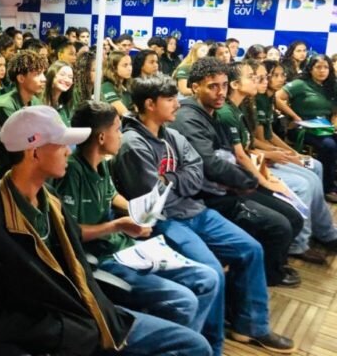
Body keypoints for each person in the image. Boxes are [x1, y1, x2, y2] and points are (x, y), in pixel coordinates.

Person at [0, 105, 213, 356]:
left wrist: (98, 314)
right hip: (63, 331)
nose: (67, 152)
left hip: (89, 315)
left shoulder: (51, 201)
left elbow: (75, 251)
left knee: (194, 345)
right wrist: (62, 331)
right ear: (34, 152)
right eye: (61, 145)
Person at [111, 74, 295, 354]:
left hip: (195, 209)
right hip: (164, 221)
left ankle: (251, 327)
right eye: (170, 99)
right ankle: (210, 345)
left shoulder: (172, 135)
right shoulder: (132, 144)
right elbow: (153, 197)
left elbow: (197, 174)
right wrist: (179, 179)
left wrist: (171, 179)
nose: (177, 104)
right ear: (149, 104)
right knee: (212, 273)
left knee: (251, 249)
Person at [56, 100, 219, 337]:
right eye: (117, 130)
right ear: (101, 137)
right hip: (103, 258)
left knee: (208, 277)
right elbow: (69, 231)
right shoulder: (73, 172)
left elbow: (112, 196)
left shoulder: (101, 165)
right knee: (184, 301)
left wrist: (140, 212)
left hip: (125, 247)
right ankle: (180, 343)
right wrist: (117, 225)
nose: (121, 136)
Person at [171, 58, 301, 287]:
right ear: (195, 87)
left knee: (292, 216)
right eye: (213, 86)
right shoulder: (189, 118)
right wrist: (249, 181)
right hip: (208, 195)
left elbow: (229, 155)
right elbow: (211, 164)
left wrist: (252, 178)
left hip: (228, 185)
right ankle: (266, 275)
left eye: (223, 85)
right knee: (279, 226)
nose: (221, 92)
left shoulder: (212, 112)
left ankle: (270, 267)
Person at [216, 61, 305, 284]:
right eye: (251, 77)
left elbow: (249, 151)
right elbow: (240, 156)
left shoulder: (237, 109)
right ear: (235, 84)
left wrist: (266, 174)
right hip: (237, 183)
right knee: (284, 221)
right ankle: (270, 274)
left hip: (248, 174)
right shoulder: (226, 112)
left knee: (293, 215)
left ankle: (276, 264)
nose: (256, 80)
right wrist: (265, 182)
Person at [249, 60, 337, 264]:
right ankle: (299, 243)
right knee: (306, 184)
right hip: (261, 160)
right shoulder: (256, 101)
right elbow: (255, 141)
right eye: (273, 76)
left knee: (315, 165)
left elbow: (269, 136)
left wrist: (292, 153)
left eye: (282, 75)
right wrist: (280, 153)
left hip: (268, 154)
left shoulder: (267, 99)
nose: (280, 79)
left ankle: (323, 231)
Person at [276, 54, 337, 195]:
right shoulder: (300, 84)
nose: (322, 71)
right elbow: (276, 97)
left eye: (326, 67)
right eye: (318, 67)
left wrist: (334, 123)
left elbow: (335, 112)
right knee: (329, 145)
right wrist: (294, 116)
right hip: (301, 127)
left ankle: (332, 179)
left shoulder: (331, 86)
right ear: (310, 69)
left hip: (324, 127)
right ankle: (326, 187)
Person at [0, 50, 48, 178]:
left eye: (43, 73)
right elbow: (21, 143)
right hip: (5, 170)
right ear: (21, 78)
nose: (44, 79)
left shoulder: (35, 101)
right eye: (37, 74)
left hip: (28, 161)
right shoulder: (4, 107)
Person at [101, 50, 133, 116]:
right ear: (114, 68)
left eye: (130, 64)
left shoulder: (127, 85)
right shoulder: (106, 86)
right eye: (125, 65)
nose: (130, 68)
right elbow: (125, 113)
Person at [42, 61, 74, 126]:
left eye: (70, 77)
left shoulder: (65, 104)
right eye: (62, 74)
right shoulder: (39, 101)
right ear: (52, 75)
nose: (67, 80)